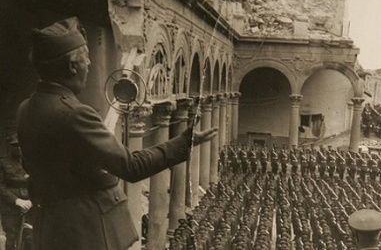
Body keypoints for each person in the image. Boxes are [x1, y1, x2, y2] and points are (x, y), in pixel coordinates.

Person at [17, 17, 218, 250]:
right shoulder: (75, 114)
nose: (90, 63)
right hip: (86, 233)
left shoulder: (25, 109)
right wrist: (183, 143)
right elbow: (131, 167)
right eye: (86, 57)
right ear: (73, 64)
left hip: (51, 230)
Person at [0, 134, 32, 250]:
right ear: (9, 147)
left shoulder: (28, 163)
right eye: (14, 146)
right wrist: (16, 200)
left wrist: (31, 200)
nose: (18, 148)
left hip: (29, 205)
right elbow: (0, 186)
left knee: (29, 235)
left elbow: (35, 183)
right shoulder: (3, 163)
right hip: (10, 207)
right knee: (12, 237)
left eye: (19, 146)